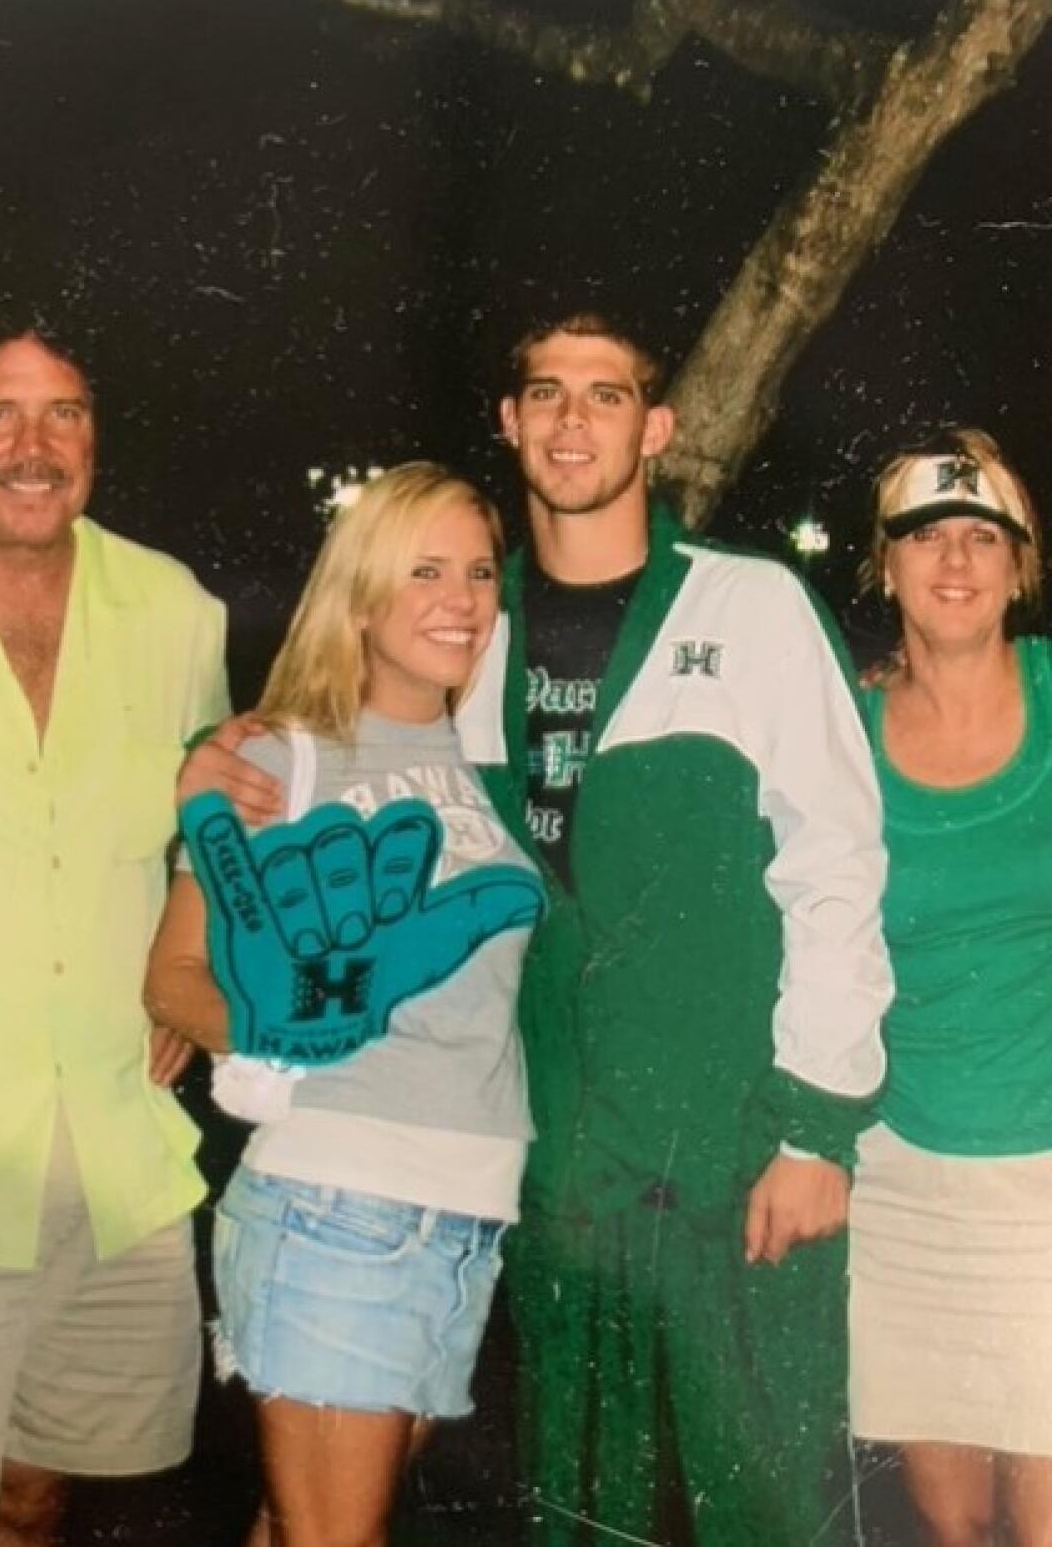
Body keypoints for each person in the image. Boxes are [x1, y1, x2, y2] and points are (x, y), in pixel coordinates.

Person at [450, 311, 894, 1545]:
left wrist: (816, 1124)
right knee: (583, 1506)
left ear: (657, 428)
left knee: (757, 1504)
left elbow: (837, 864)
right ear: (510, 421)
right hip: (567, 1180)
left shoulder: (749, 609)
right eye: (546, 392)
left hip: (735, 1168)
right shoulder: (467, 633)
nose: (572, 420)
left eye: (606, 395)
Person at [0, 325, 229, 1545]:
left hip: (114, 1158)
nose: (31, 446)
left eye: (62, 412)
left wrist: (190, 970)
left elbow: (214, 830)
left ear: (95, 437)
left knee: (39, 1497)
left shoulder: (171, 606)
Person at [145, 462, 544, 1547]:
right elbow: (175, 979)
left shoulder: (480, 761)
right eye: (423, 570)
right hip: (339, 1208)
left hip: (464, 1215)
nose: (460, 598)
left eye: (475, 571)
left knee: (299, 1526)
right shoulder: (281, 756)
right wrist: (283, 1031)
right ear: (362, 592)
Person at [849, 430, 1052, 1547]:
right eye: (927, 536)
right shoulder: (843, 725)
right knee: (952, 1527)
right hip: (903, 1178)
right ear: (887, 566)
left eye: (984, 536)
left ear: (1022, 566)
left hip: (1049, 1179)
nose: (957, 560)